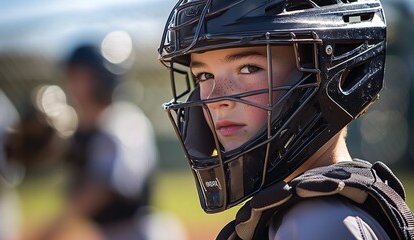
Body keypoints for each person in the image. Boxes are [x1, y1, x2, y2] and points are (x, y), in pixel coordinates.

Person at [157, 0, 414, 239]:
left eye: (249, 68)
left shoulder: (318, 223)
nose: (214, 99)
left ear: (335, 75)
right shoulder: (317, 211)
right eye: (204, 76)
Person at [38, 44, 158, 240]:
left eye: (82, 78)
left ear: (104, 80)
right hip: (108, 232)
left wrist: (53, 229)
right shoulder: (83, 127)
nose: (74, 86)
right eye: (72, 78)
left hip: (135, 231)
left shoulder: (124, 120)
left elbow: (102, 187)